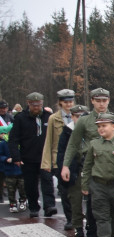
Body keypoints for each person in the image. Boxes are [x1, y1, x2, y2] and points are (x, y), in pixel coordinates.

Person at [63, 88, 114, 237]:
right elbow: (73, 143)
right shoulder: (84, 120)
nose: (101, 104)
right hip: (90, 164)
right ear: (92, 101)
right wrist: (65, 165)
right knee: (93, 202)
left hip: (112, 164)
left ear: (109, 101)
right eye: (98, 101)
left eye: (104, 100)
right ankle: (94, 235)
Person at [81, 113, 114, 237]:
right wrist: (85, 184)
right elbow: (87, 166)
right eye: (99, 126)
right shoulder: (94, 144)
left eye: (104, 126)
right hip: (98, 185)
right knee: (101, 216)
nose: (101, 129)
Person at [9, 92, 57, 218]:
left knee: (47, 181)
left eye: (39, 104)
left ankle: (49, 206)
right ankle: (34, 207)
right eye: (33, 105)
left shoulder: (48, 117)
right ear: (28, 103)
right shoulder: (20, 118)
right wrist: (16, 157)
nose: (36, 107)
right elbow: (13, 139)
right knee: (30, 185)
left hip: (45, 157)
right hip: (28, 157)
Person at [41, 89, 77, 229]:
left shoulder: (80, 116)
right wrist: (46, 162)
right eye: (65, 102)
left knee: (77, 191)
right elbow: (49, 140)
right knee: (64, 190)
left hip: (76, 158)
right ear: (60, 102)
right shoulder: (53, 118)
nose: (68, 104)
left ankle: (78, 217)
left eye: (71, 101)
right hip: (59, 158)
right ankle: (70, 218)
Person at [55, 104, 88, 236]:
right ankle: (78, 225)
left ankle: (91, 224)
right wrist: (64, 167)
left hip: (90, 167)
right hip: (75, 168)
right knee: (75, 198)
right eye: (77, 116)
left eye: (82, 116)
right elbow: (61, 152)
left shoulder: (93, 130)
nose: (79, 119)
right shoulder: (67, 131)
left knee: (93, 199)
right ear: (72, 117)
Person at [0, 125, 25, 212]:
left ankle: (23, 201)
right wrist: (6, 159)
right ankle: (12, 204)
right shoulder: (4, 144)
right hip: (9, 170)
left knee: (23, 188)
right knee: (11, 190)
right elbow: (0, 155)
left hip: (21, 170)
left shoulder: (22, 142)